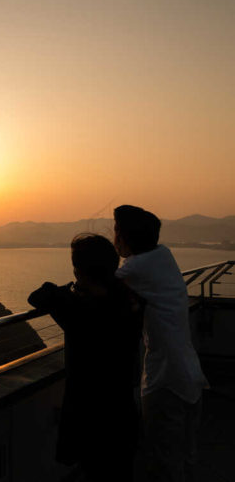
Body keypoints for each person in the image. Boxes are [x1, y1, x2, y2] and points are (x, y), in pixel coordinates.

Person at [28, 233, 142, 481]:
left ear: (79, 270)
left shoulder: (77, 309)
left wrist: (70, 289)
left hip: (90, 419)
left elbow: (38, 297)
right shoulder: (128, 300)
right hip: (122, 413)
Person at [113, 205, 207, 482]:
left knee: (162, 461)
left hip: (166, 379)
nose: (114, 237)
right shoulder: (163, 255)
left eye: (116, 230)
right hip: (189, 372)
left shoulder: (136, 267)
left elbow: (97, 284)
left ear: (126, 236)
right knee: (185, 457)